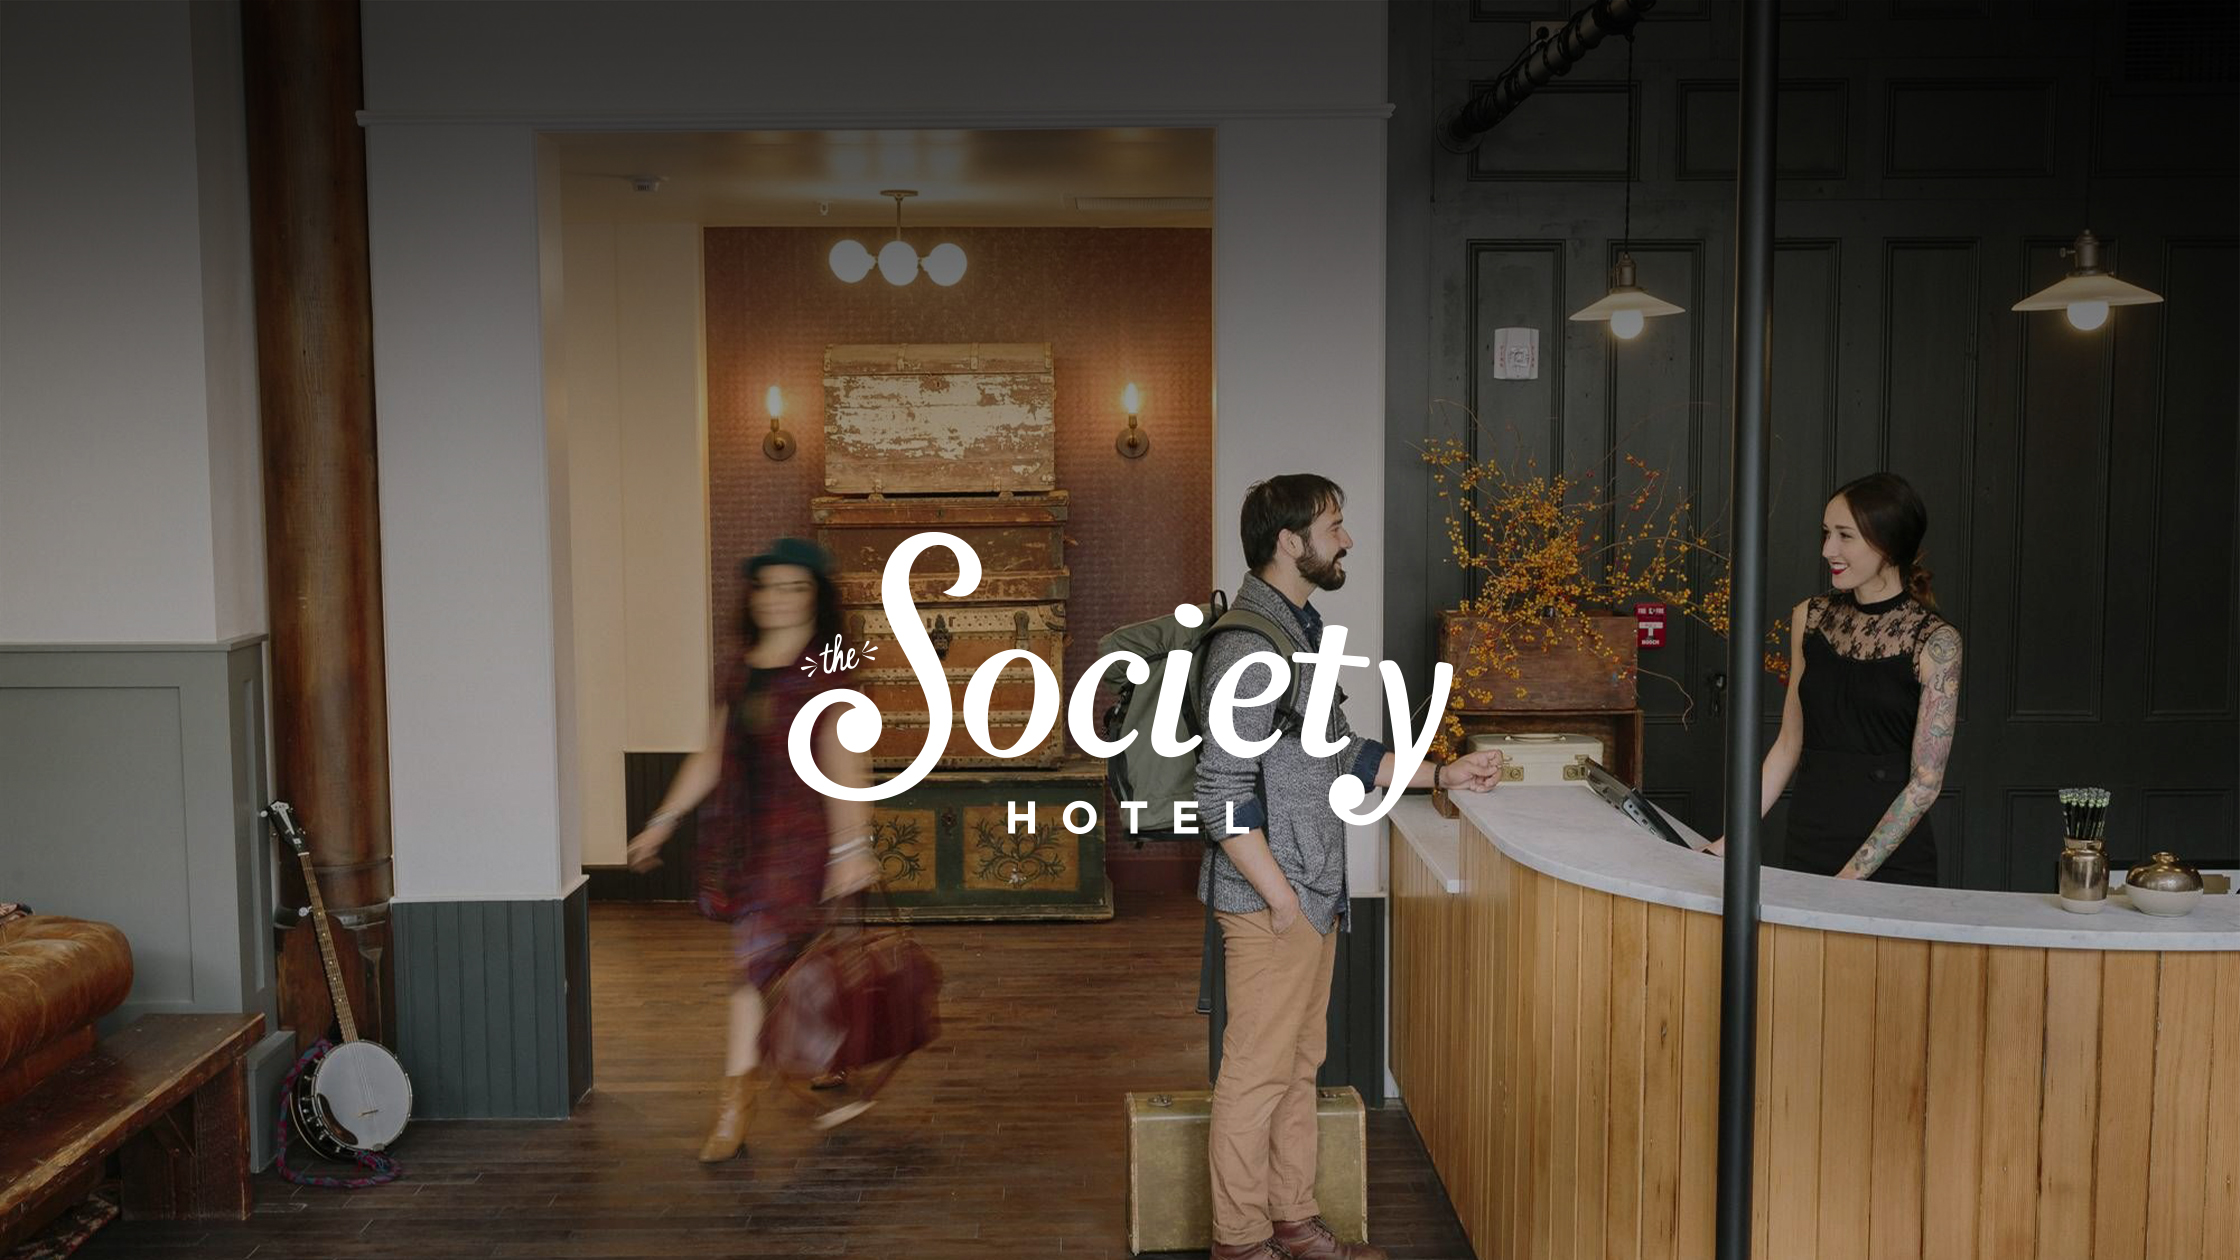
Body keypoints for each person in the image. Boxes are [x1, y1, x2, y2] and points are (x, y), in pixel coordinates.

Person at [1195, 474, 1506, 1260]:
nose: (1348, 539)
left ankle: (1291, 1222)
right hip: (1276, 896)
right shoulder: (1245, 644)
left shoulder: (1296, 628)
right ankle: (1239, 1242)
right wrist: (1281, 901)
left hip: (1310, 891)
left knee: (1298, 1068)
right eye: (1334, 526)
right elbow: (1222, 791)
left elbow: (1336, 751)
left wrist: (1443, 774)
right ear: (1289, 542)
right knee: (1257, 1075)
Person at [626, 538, 879, 1161]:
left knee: (751, 971)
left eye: (796, 586)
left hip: (803, 843)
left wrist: (852, 846)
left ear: (817, 598)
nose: (779, 598)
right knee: (797, 963)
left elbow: (846, 760)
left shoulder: (828, 668)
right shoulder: (740, 668)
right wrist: (661, 822)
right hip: (745, 844)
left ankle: (734, 1109)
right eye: (769, 586)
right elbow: (712, 754)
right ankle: (833, 1063)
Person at [1707, 472, 1961, 885]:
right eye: (1826, 534)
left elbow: (1926, 783)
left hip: (1891, 857)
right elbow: (1789, 744)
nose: (1828, 549)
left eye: (1845, 536)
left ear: (1889, 543)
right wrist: (1728, 843)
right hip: (1810, 837)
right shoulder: (1809, 617)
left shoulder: (1936, 641)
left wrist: (1850, 877)